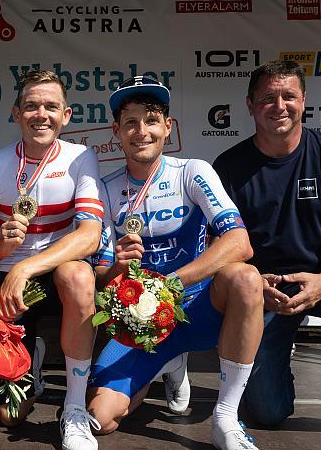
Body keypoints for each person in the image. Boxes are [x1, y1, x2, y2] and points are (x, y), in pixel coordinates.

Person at [86, 76, 264, 450]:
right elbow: (102, 279)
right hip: (142, 321)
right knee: (101, 420)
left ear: (168, 127)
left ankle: (226, 417)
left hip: (199, 307)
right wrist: (117, 266)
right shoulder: (105, 188)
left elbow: (239, 242)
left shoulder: (191, 172)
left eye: (151, 120)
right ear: (117, 131)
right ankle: (167, 363)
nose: (142, 131)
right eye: (131, 122)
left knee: (245, 279)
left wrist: (173, 284)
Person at [214, 60, 321, 444]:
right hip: (267, 291)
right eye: (267, 98)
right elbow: (222, 248)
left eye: (288, 96)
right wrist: (254, 283)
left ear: (304, 101)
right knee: (266, 413)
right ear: (250, 105)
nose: (279, 105)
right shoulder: (228, 167)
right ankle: (275, 373)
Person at [0, 70, 104, 450]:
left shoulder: (81, 157)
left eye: (51, 106)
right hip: (7, 281)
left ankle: (73, 408)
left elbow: (90, 236)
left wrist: (26, 267)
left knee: (78, 276)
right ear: (15, 113)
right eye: (32, 106)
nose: (42, 114)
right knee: (10, 417)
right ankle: (33, 358)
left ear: (67, 115)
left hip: (51, 275)